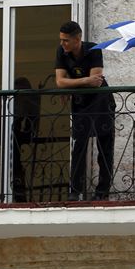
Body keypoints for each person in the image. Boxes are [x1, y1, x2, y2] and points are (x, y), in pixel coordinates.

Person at [55, 21, 116, 201]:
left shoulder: (94, 49)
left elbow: (96, 82)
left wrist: (71, 84)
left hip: (101, 101)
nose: (62, 44)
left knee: (104, 146)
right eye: (61, 40)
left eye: (66, 40)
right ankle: (75, 191)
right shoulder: (61, 52)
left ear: (77, 39)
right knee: (79, 145)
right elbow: (59, 82)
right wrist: (83, 81)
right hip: (81, 102)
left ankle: (102, 192)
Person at [0, 77, 39, 203]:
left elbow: (30, 125)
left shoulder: (19, 98)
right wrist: (26, 134)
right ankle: (15, 195)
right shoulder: (23, 98)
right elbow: (31, 125)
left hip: (1, 130)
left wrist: (25, 133)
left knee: (10, 163)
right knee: (12, 163)